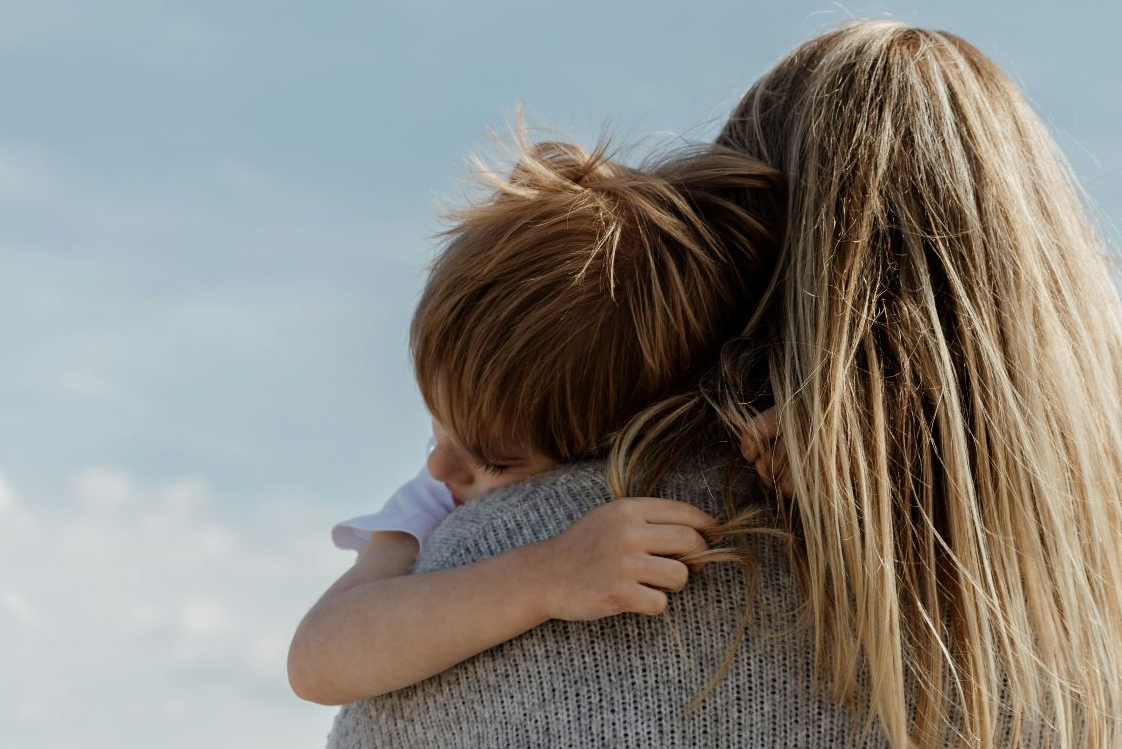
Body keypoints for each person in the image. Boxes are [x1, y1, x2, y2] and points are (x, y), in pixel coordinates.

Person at [298, 20, 1122, 749]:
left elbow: (332, 662)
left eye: (488, 450)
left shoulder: (534, 550)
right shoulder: (1100, 646)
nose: (445, 469)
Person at [286, 136, 781, 707]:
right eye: (437, 422)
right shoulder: (433, 503)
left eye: (493, 458)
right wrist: (543, 577)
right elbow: (319, 660)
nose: (438, 464)